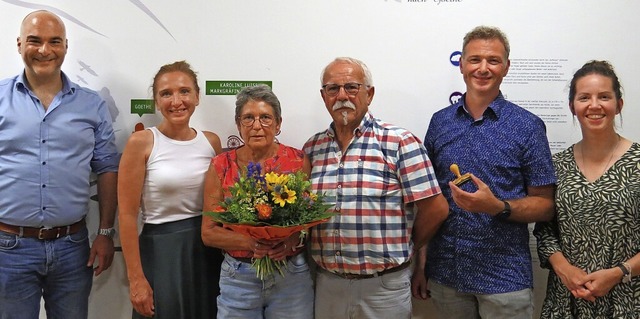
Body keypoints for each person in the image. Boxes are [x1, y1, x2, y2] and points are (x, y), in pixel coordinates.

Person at [411, 26, 556, 319]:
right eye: (475, 59)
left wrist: (498, 207)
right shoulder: (439, 123)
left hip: (504, 279)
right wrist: (421, 263)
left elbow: (545, 205)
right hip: (446, 275)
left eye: (493, 60)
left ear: (506, 67)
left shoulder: (528, 126)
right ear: (462, 64)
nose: (483, 68)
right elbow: (430, 200)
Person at [303, 57, 449, 319]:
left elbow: (436, 208)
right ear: (324, 96)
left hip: (384, 287)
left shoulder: (399, 142)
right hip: (328, 285)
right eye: (333, 88)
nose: (342, 96)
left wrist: (409, 244)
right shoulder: (312, 149)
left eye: (352, 87)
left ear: (369, 94)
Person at [0, 10, 119, 319]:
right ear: (19, 44)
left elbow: (107, 167)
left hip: (72, 247)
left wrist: (106, 231)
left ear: (66, 46)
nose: (44, 50)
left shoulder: (91, 105)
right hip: (9, 249)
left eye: (54, 41)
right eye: (34, 41)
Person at [534, 60, 639, 318]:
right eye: (584, 97)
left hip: (628, 301)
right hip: (568, 299)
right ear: (573, 106)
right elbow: (545, 230)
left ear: (619, 105)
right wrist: (565, 270)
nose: (594, 105)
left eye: (604, 97)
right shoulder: (556, 165)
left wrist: (620, 273)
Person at [118, 61, 224, 319]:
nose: (176, 101)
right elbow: (128, 216)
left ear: (197, 96)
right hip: (161, 253)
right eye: (166, 93)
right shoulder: (142, 142)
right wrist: (136, 279)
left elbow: (220, 205)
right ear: (156, 101)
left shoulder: (211, 142)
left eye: (184, 91)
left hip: (207, 250)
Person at [201, 84, 314, 319]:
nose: (257, 126)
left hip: (290, 275)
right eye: (248, 118)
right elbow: (209, 233)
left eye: (265, 118)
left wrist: (291, 240)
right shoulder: (221, 166)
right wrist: (251, 243)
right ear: (238, 124)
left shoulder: (297, 161)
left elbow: (307, 222)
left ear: (278, 123)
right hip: (239, 277)